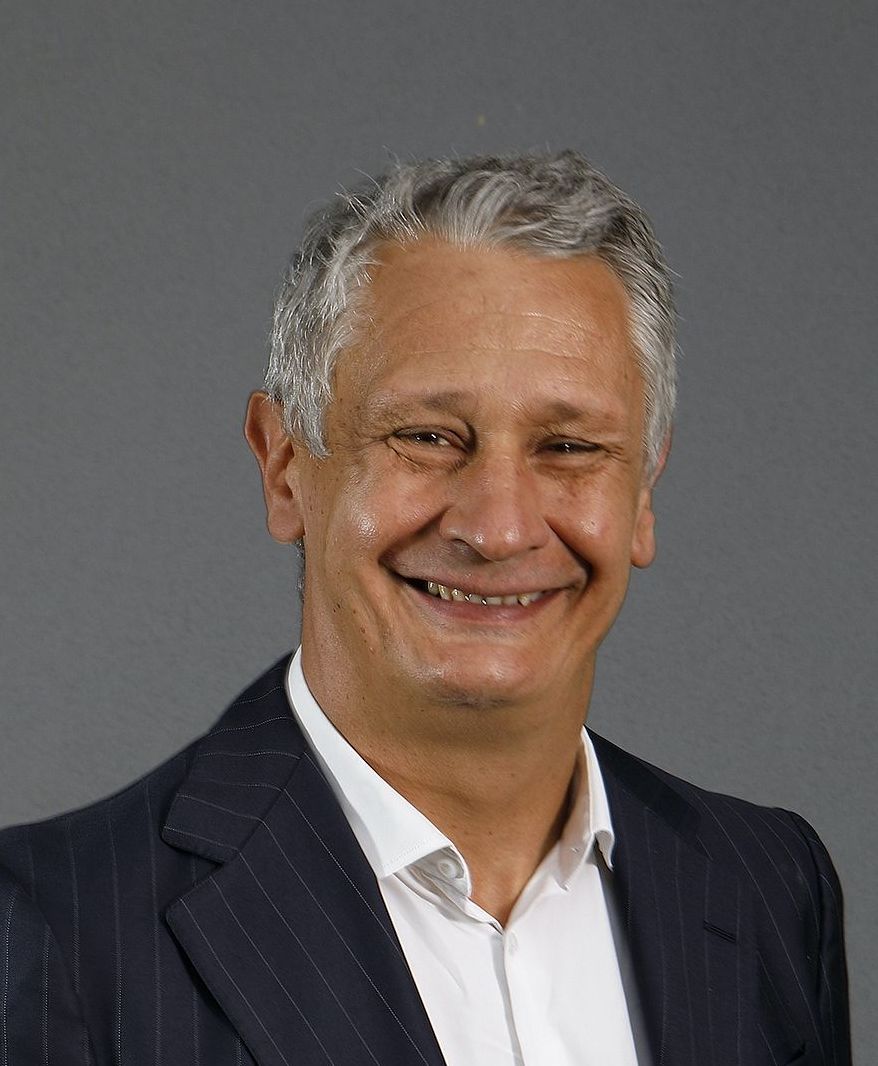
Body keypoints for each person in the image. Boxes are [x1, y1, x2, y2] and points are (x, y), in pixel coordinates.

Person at [0, 151, 850, 1065]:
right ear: (283, 468)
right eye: (428, 437)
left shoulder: (769, 886)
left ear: (643, 490)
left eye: (569, 447)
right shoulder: (52, 929)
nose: (499, 528)